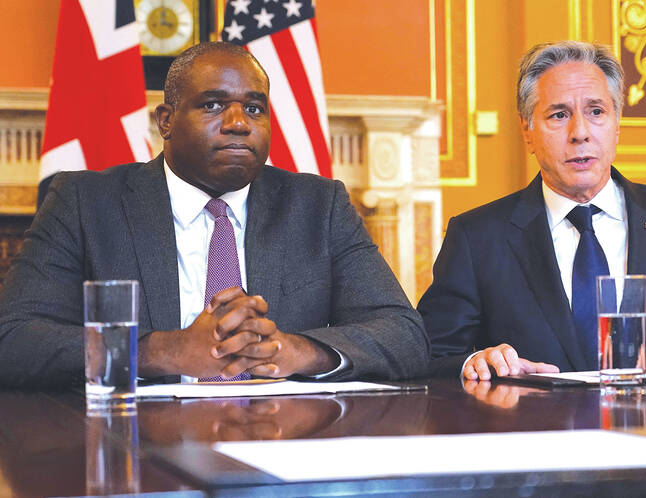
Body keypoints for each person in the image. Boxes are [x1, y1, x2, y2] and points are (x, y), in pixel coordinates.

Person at [0, 42, 429, 387]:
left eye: (254, 108)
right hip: (139, 445)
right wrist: (162, 352)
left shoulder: (318, 205)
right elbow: (13, 338)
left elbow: (404, 335)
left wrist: (297, 352)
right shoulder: (86, 202)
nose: (239, 123)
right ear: (166, 121)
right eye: (213, 105)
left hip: (279, 439)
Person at [418, 40, 646, 380]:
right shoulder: (477, 237)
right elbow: (431, 356)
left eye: (596, 112)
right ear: (527, 130)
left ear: (617, 123)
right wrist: (475, 362)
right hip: (529, 415)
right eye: (559, 115)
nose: (580, 133)